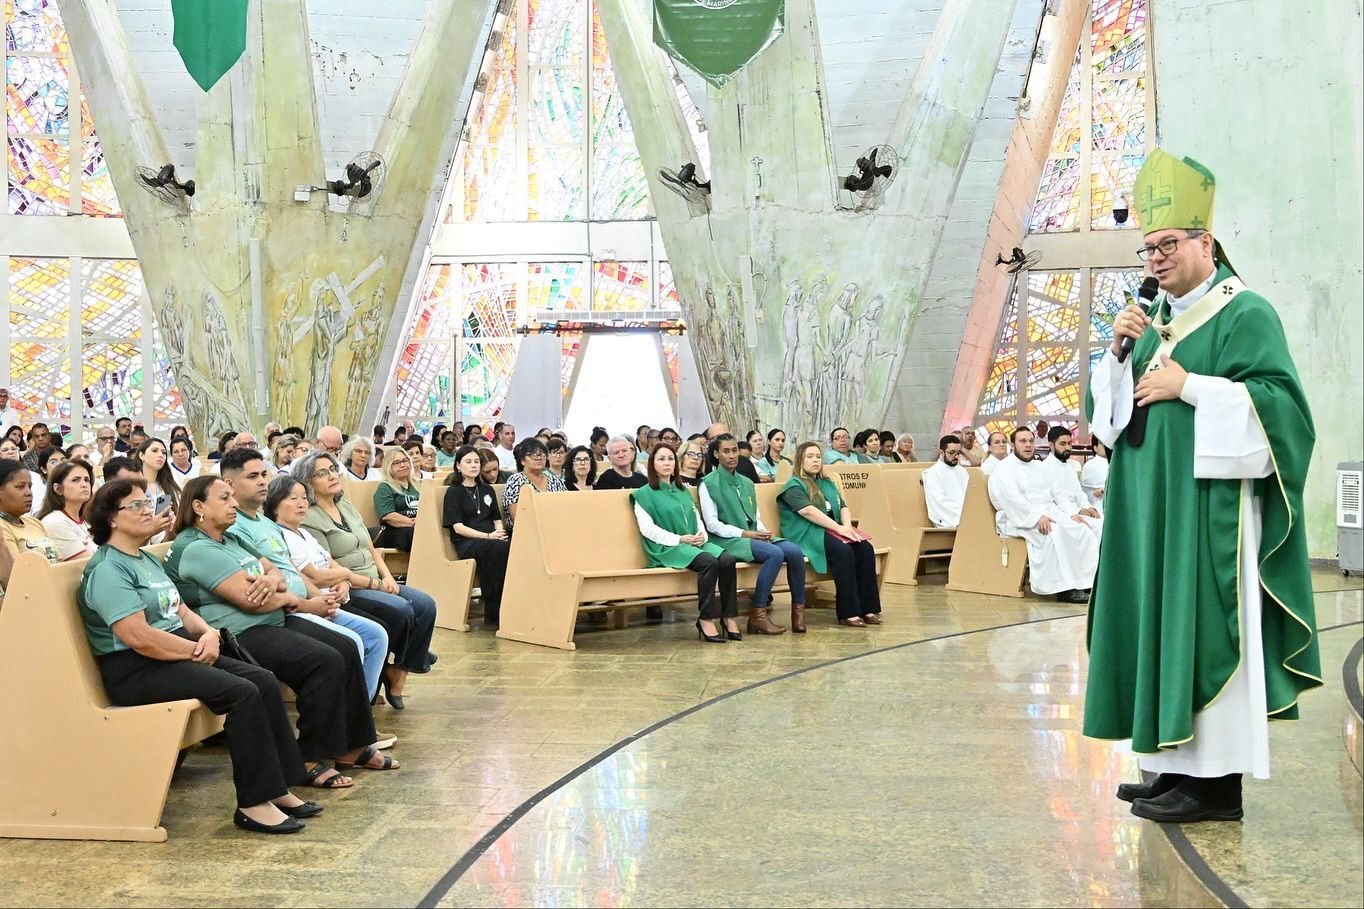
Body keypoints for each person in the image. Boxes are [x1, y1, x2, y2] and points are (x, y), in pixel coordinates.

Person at [1084, 149, 1320, 824]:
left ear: (1205, 241)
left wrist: (1191, 386)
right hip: (1149, 509)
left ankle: (1217, 785)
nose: (1155, 258)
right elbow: (1107, 420)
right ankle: (1173, 766)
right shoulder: (1149, 316)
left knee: (1204, 624)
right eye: (1147, 248)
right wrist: (1117, 357)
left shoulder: (1245, 312)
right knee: (1158, 623)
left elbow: (1285, 411)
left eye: (1167, 244)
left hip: (1207, 511)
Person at [78, 478, 321, 834]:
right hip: (136, 669)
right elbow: (141, 638)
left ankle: (279, 785)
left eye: (148, 502)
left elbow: (182, 609)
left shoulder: (144, 558)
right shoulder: (108, 570)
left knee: (263, 679)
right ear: (111, 519)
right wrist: (196, 649)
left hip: (174, 652)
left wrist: (206, 633)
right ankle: (253, 804)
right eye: (137, 506)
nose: (149, 510)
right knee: (242, 694)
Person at [165, 476, 397, 786]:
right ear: (199, 507)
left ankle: (352, 745)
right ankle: (309, 756)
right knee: (323, 661)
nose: (234, 503)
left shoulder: (230, 538)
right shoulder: (195, 547)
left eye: (232, 497)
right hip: (236, 633)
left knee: (345, 647)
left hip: (269, 618)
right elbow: (250, 602)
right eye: (224, 498)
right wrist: (287, 597)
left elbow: (274, 568)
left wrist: (273, 582)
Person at [219, 451, 392, 715]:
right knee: (346, 646)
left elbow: (289, 571)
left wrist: (316, 599)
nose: (262, 481)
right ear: (229, 485)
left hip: (306, 601)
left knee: (377, 631)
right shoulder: (235, 527)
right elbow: (259, 587)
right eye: (253, 476)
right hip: (277, 615)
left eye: (264, 474)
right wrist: (309, 603)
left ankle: (358, 722)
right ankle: (349, 727)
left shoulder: (265, 524)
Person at [293, 450, 437, 710]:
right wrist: (375, 584)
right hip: (350, 586)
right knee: (402, 610)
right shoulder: (309, 517)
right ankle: (411, 654)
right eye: (321, 473)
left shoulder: (345, 504)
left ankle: (400, 671)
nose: (331, 476)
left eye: (332, 469)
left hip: (375, 576)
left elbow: (371, 547)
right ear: (307, 482)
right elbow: (327, 564)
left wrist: (386, 575)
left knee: (426, 604)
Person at [267, 476, 391, 703]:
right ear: (275, 503)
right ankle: (350, 711)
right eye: (292, 498)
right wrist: (345, 576)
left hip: (332, 600)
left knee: (378, 634)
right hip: (309, 606)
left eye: (304, 498)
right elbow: (314, 575)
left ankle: (362, 706)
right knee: (355, 641)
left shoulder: (304, 533)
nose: (301, 503)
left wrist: (344, 581)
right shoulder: (280, 535)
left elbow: (333, 564)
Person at [632, 444, 739, 643]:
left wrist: (700, 536)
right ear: (652, 464)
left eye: (670, 459)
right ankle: (706, 619)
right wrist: (680, 539)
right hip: (667, 547)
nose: (667, 463)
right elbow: (648, 530)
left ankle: (728, 617)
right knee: (709, 562)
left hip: (692, 542)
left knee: (727, 559)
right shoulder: (643, 494)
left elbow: (696, 517)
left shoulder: (682, 490)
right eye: (661, 459)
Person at [701, 435, 806, 636]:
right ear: (716, 454)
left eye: (734, 450)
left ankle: (798, 613)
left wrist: (763, 532)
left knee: (793, 551)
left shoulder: (747, 482)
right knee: (774, 553)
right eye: (726, 451)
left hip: (752, 535)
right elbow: (712, 524)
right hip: (728, 539)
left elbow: (755, 516)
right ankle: (758, 614)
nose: (732, 455)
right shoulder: (708, 483)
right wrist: (746, 533)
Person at [987, 427, 1099, 604]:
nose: (1028, 445)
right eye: (1022, 441)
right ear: (1013, 444)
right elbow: (1010, 499)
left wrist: (1072, 513)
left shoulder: (1039, 466)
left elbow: (1058, 494)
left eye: (1030, 441)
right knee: (1056, 533)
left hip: (1049, 511)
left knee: (1082, 529)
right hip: (1017, 517)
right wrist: (1036, 517)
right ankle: (1064, 589)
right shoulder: (1004, 469)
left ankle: (1085, 582)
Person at [777, 442, 881, 628]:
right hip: (807, 532)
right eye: (810, 456)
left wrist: (847, 527)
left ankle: (868, 608)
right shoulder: (794, 486)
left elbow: (843, 506)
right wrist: (838, 528)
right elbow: (808, 512)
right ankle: (848, 612)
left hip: (831, 529)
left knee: (864, 548)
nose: (815, 460)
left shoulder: (827, 482)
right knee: (843, 551)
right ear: (800, 460)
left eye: (818, 456)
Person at [442, 446, 511, 627]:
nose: (474, 466)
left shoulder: (486, 489)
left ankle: (500, 612)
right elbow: (458, 527)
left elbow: (496, 518)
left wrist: (499, 533)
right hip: (467, 542)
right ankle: (495, 612)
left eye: (476, 462)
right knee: (499, 549)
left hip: (491, 541)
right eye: (468, 462)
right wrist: (488, 536)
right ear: (458, 466)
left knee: (507, 547)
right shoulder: (454, 491)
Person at [1039, 426, 1102, 535]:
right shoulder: (1044, 468)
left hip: (1076, 510)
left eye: (1069, 443)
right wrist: (1077, 511)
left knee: (1102, 521)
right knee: (1088, 529)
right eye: (1063, 444)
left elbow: (1079, 494)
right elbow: (1052, 500)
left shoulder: (1070, 466)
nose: (1068, 447)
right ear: (1051, 445)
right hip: (1061, 514)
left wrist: (1089, 507)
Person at [37, 458, 98, 561]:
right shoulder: (55, 522)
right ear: (58, 489)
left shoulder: (87, 519)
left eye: (87, 480)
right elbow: (88, 565)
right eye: (75, 480)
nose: (84, 485)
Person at [0, 459, 59, 564]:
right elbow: (15, 575)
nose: (28, 493)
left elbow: (60, 562)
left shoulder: (34, 523)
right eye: (20, 487)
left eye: (29, 487)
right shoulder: (2, 527)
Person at [502, 438, 566, 529]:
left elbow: (565, 507)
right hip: (525, 532)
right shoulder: (515, 481)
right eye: (532, 454)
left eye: (542, 454)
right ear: (522, 460)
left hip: (556, 528)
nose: (538, 457)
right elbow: (518, 519)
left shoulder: (554, 480)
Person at [374, 449, 421, 551]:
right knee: (415, 534)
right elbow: (388, 516)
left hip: (419, 523)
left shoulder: (418, 485)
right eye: (396, 463)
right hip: (396, 529)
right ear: (388, 466)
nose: (402, 465)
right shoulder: (384, 487)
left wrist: (422, 521)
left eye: (405, 461)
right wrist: (413, 523)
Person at [921, 435, 971, 529]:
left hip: (966, 516)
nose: (956, 456)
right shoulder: (933, 473)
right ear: (941, 452)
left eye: (958, 453)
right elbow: (939, 503)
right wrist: (964, 517)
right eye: (952, 453)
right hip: (948, 520)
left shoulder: (962, 471)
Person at [135, 437, 181, 517]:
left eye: (163, 452)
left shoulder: (170, 486)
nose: (160, 455)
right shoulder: (132, 485)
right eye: (154, 451)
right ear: (141, 455)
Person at [1080, 438, 1109, 513]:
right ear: (1095, 448)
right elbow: (1086, 490)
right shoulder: (1090, 465)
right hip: (1098, 502)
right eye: (1103, 444)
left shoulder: (1117, 462)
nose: (1107, 446)